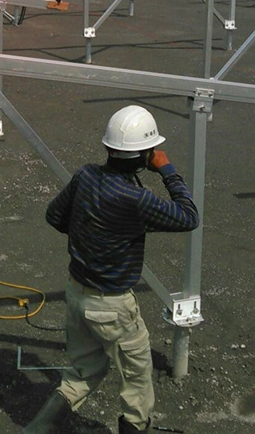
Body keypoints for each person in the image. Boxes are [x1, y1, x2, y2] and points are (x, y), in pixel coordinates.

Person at [23, 105, 200, 434]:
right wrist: (168, 170)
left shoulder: (86, 175)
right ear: (145, 155)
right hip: (112, 307)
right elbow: (189, 216)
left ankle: (36, 429)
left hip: (77, 293)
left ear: (109, 147)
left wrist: (90, 233)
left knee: (80, 372)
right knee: (136, 384)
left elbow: (54, 216)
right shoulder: (136, 200)